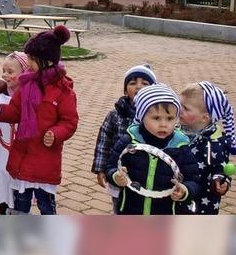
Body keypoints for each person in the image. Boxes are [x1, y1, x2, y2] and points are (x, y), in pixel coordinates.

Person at [0, 26, 78, 215]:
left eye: (31, 59)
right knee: (21, 201)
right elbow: (15, 111)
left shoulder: (63, 91)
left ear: (46, 61)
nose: (28, 63)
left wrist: (56, 133)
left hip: (45, 156)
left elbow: (69, 121)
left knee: (45, 202)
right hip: (23, 154)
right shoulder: (27, 85)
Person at [105, 84, 201, 215]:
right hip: (130, 211)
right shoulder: (129, 140)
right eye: (156, 118)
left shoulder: (180, 147)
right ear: (141, 116)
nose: (163, 124)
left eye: (170, 118)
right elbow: (110, 166)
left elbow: (193, 179)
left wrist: (185, 190)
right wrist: (115, 176)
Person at [91, 64, 157, 213]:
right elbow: (104, 141)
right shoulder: (115, 114)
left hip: (145, 175)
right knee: (120, 208)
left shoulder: (156, 117)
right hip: (119, 173)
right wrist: (101, 168)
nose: (138, 87)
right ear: (125, 89)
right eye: (133, 83)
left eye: (145, 83)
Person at [179, 82, 233, 214]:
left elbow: (221, 170)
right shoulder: (175, 133)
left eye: (185, 108)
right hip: (179, 195)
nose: (179, 110)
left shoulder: (216, 142)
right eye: (179, 105)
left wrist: (222, 182)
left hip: (203, 203)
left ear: (204, 118)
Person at [0, 52, 29, 215]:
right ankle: (3, 211)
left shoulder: (29, 96)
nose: (5, 75)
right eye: (3, 70)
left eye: (10, 72)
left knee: (19, 186)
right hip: (1, 150)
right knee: (2, 182)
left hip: (20, 151)